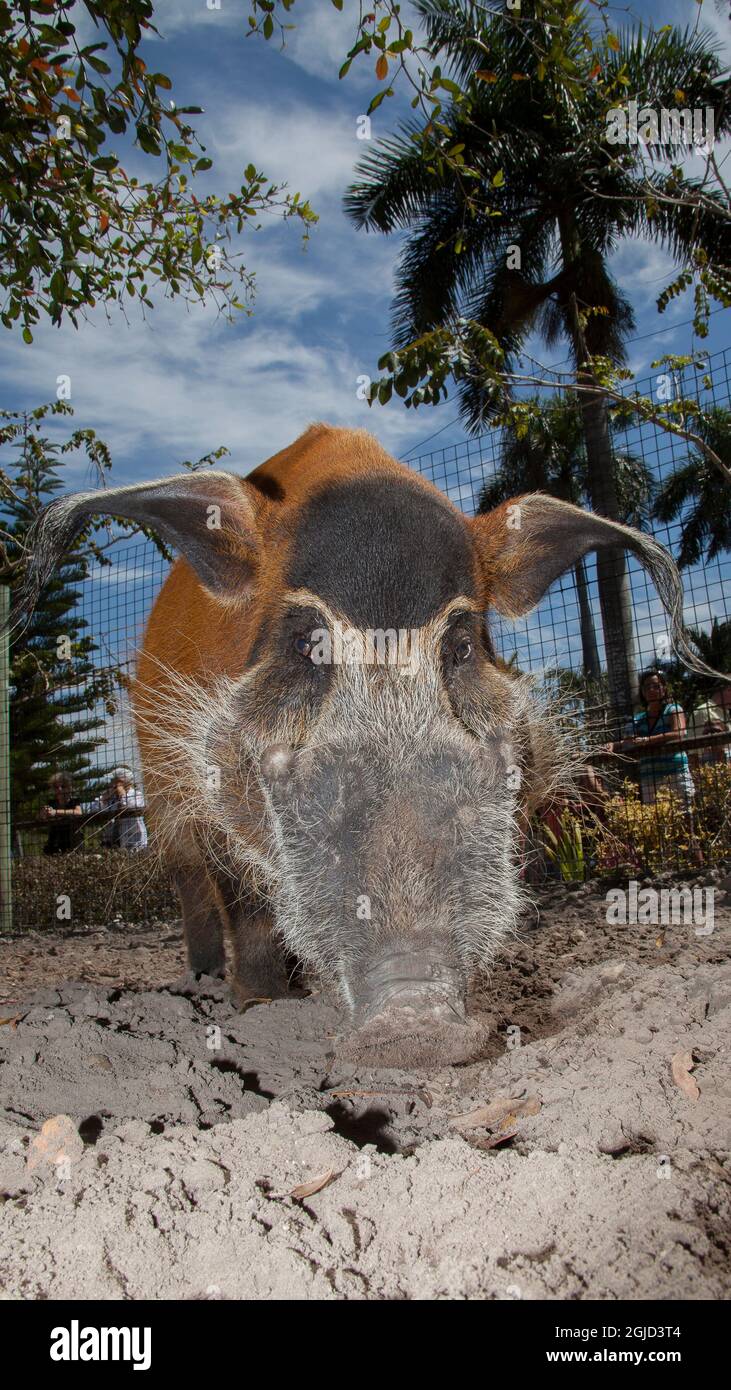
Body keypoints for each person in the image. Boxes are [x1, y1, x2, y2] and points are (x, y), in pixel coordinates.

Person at [605, 671, 695, 809]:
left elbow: (679, 732)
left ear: (664, 689)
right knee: (655, 822)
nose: (651, 690)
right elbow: (632, 741)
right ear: (642, 692)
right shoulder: (639, 718)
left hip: (675, 774)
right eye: (647, 687)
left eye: (656, 686)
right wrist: (613, 745)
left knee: (684, 818)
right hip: (649, 779)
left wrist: (648, 740)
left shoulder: (673, 709)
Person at [90, 766, 147, 851]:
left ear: (121, 782)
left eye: (112, 781)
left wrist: (122, 793)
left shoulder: (136, 795)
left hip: (135, 843)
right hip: (114, 845)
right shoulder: (111, 799)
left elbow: (130, 805)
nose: (110, 783)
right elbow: (93, 810)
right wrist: (103, 798)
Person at [40, 772, 83, 855]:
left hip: (72, 842)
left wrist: (56, 812)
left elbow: (78, 812)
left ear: (69, 787)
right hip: (54, 842)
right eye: (56, 787)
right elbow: (40, 817)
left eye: (63, 786)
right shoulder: (51, 803)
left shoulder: (74, 801)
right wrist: (44, 813)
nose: (59, 789)